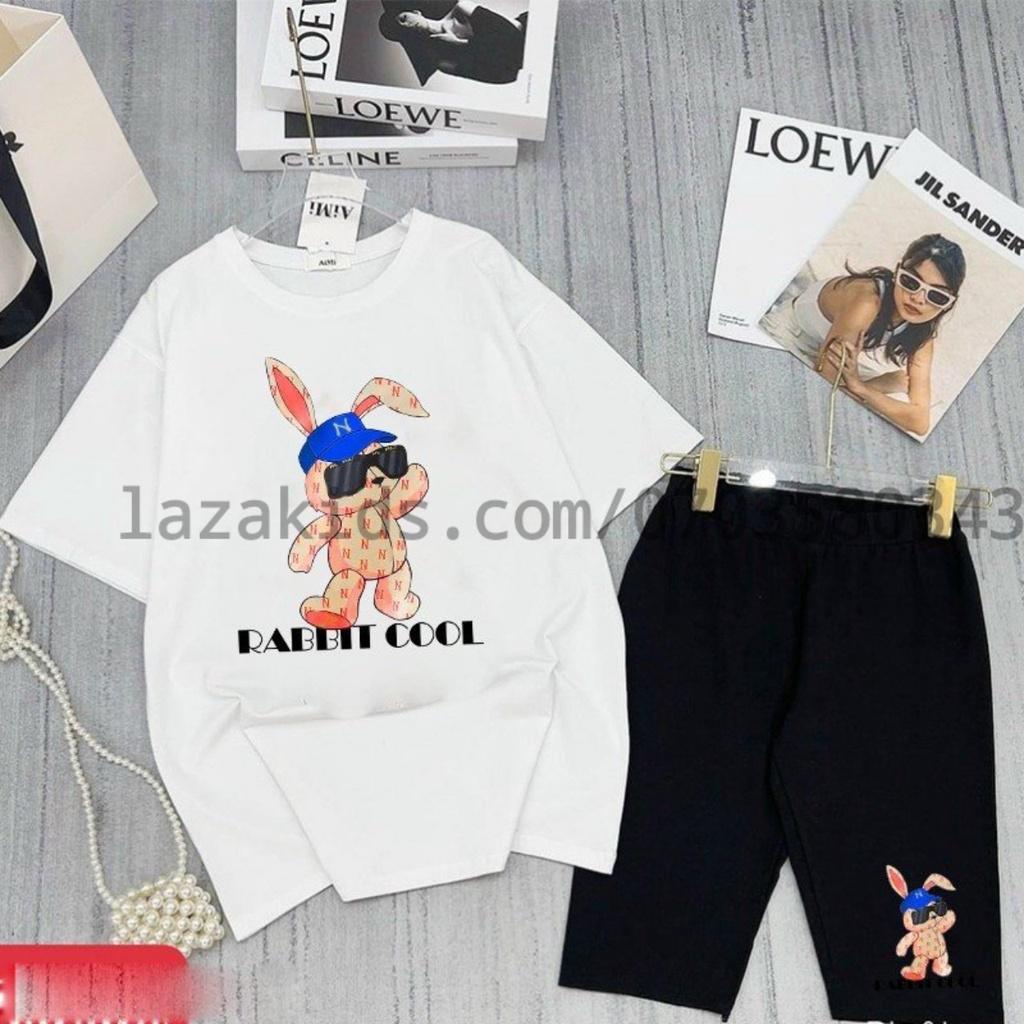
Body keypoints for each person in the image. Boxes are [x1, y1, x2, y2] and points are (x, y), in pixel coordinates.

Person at [766, 234, 966, 436]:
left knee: (901, 400)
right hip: (792, 335)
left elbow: (919, 422)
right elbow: (822, 392)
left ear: (948, 304)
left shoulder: (923, 333)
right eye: (911, 282)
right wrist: (879, 385)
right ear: (897, 274)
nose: (918, 299)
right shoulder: (867, 303)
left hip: (828, 356)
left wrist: (861, 387)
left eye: (936, 296)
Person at [379, 1, 528, 85]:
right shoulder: (442, 62)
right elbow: (505, 75)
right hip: (528, 62)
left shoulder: (461, 9)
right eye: (401, 31)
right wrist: (461, 44)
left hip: (530, 27)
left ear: (416, 12)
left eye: (404, 19)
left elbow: (513, 35)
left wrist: (463, 44)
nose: (407, 26)